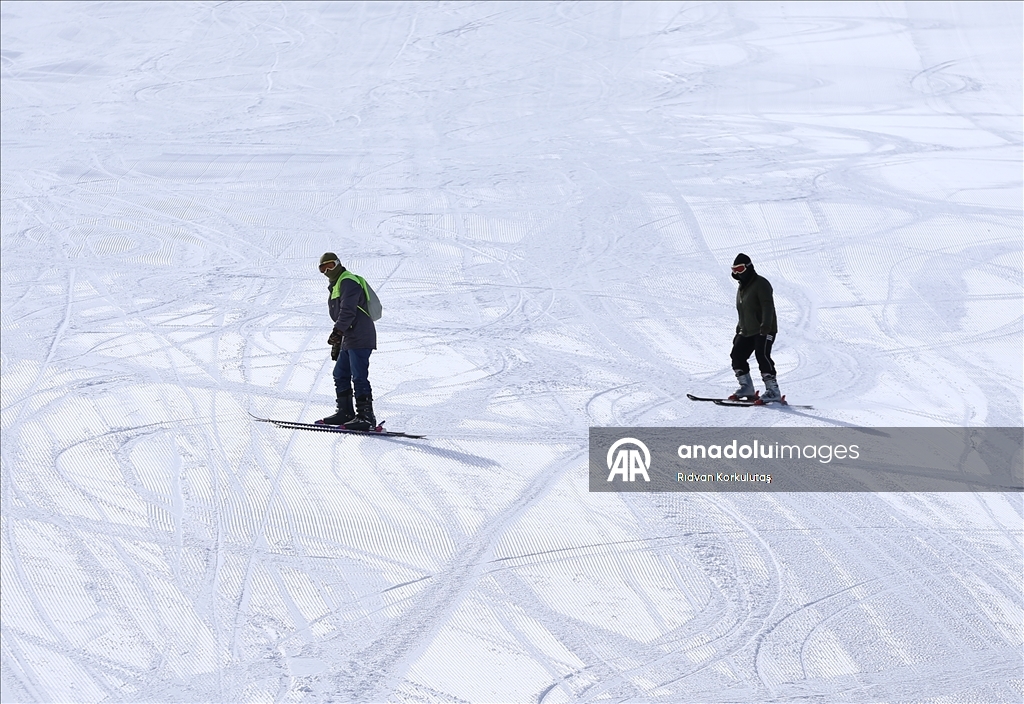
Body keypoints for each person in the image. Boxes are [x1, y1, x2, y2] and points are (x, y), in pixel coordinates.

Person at [317, 252, 377, 430]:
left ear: (338, 264)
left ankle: (366, 418)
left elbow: (348, 311)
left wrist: (337, 332)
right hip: (349, 337)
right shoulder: (336, 284)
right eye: (323, 268)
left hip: (360, 335)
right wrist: (339, 340)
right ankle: (345, 413)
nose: (327, 270)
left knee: (359, 376)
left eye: (330, 266)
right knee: (340, 373)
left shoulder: (348, 281)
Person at [729, 253, 782, 402]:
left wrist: (765, 325)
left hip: (764, 329)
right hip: (747, 330)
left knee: (762, 354)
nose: (737, 273)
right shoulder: (742, 288)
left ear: (749, 267)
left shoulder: (761, 283)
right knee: (737, 355)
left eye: (740, 269)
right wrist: (739, 328)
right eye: (734, 270)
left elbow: (767, 306)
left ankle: (773, 391)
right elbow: (743, 311)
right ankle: (747, 387)